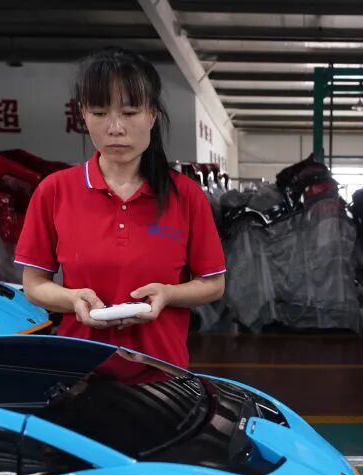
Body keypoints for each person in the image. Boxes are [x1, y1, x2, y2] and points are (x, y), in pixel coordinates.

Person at [15, 47, 226, 369]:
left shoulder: (185, 195)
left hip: (162, 372)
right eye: (99, 113)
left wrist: (168, 294)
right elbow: (34, 285)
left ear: (152, 115)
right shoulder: (54, 191)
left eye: (129, 113)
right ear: (83, 115)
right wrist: (73, 300)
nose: (115, 128)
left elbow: (213, 284)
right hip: (79, 373)